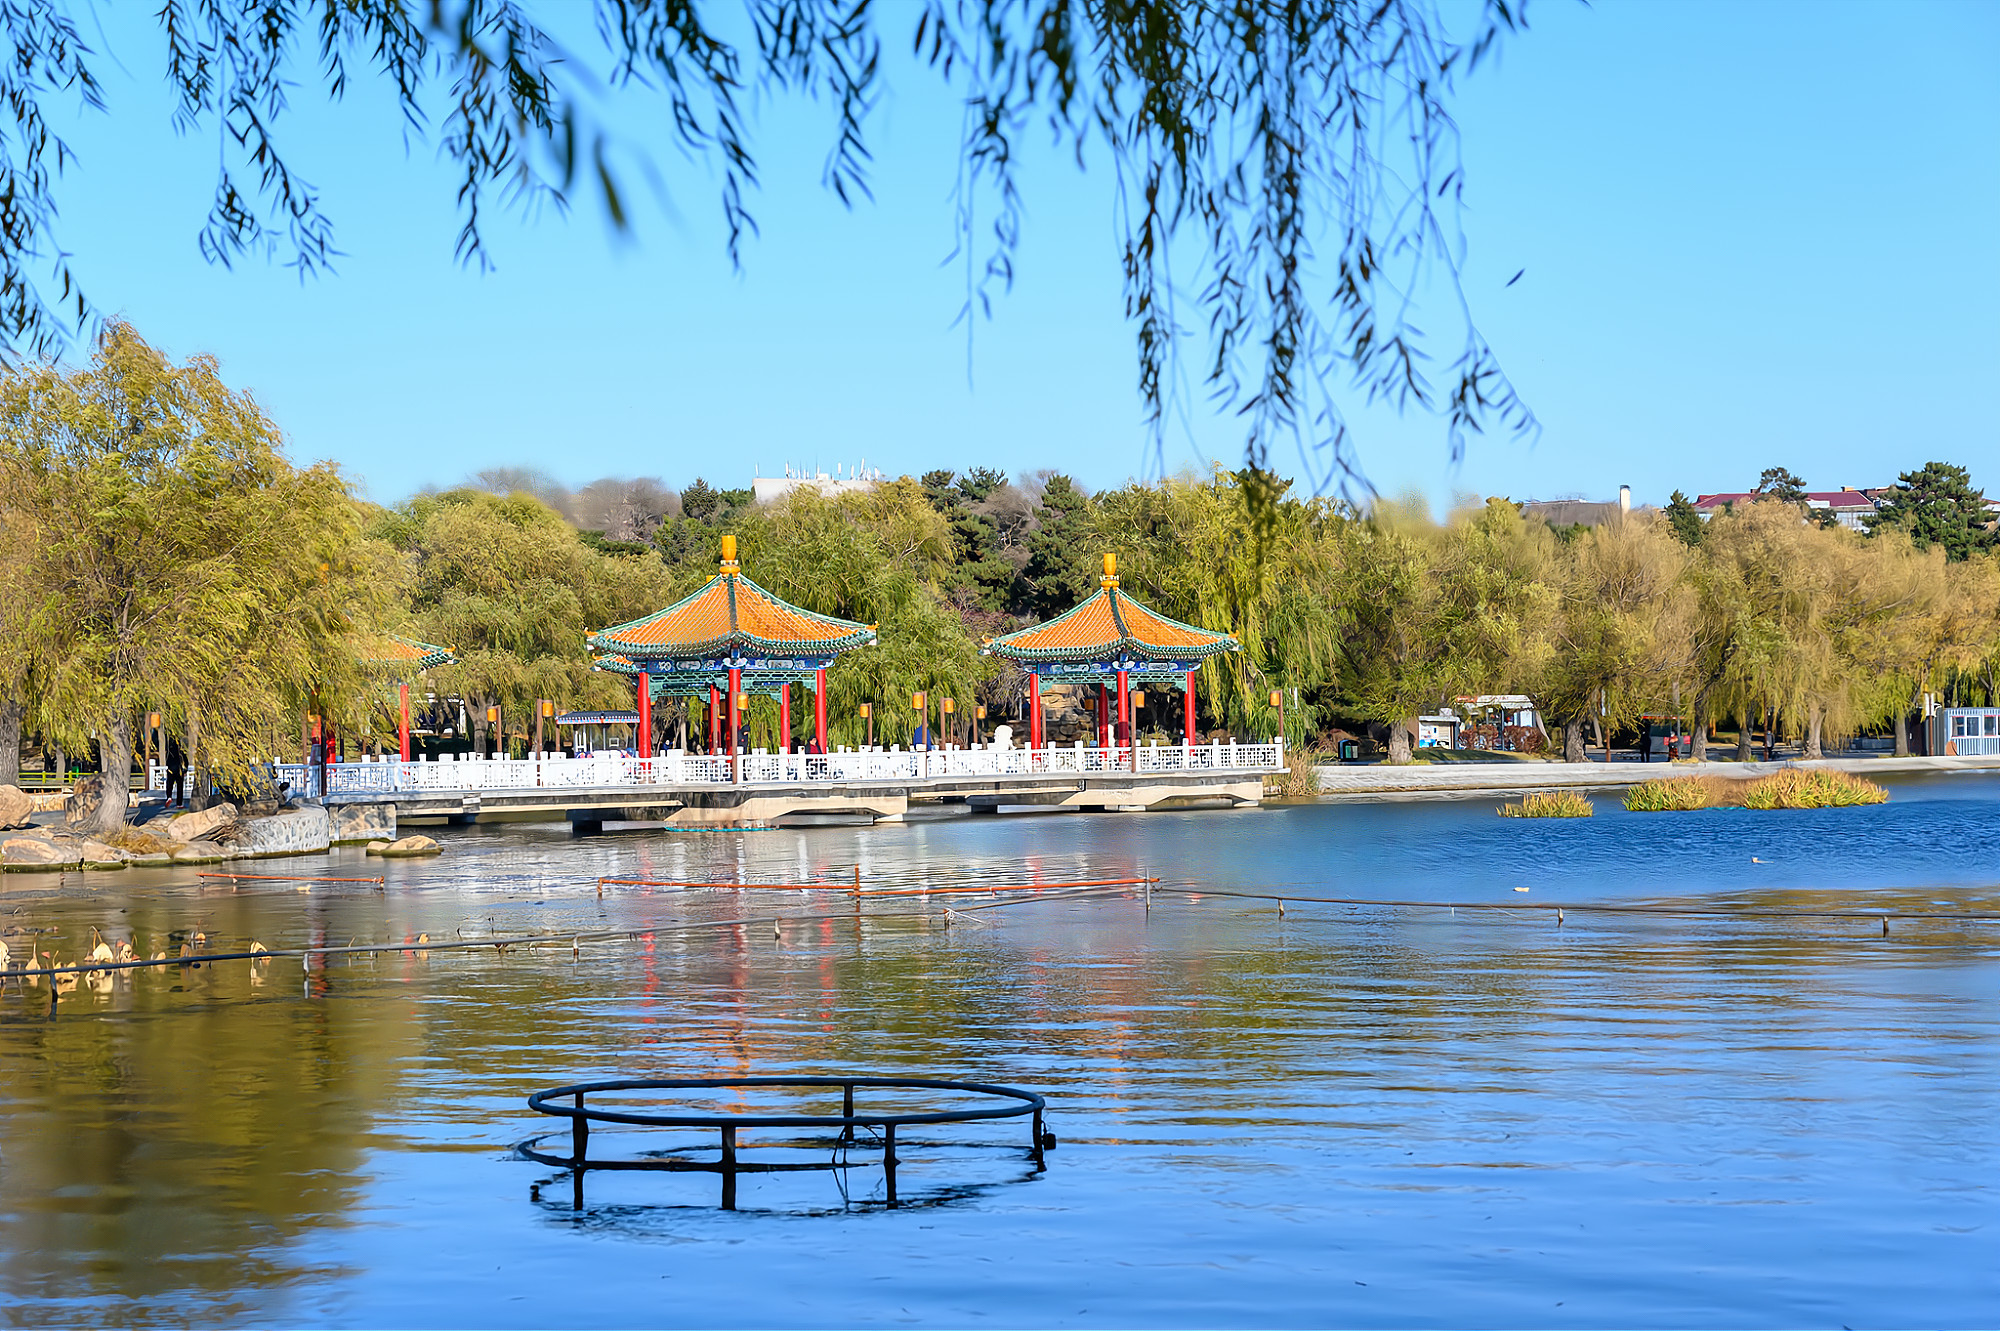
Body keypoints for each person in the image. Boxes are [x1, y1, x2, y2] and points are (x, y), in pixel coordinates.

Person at [165, 736, 186, 807]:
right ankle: (179, 804)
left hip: (171, 769)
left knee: (169, 784)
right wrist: (185, 770)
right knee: (180, 787)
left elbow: (167, 760)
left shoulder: (169, 751)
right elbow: (185, 760)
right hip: (179, 770)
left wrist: (168, 767)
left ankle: (169, 797)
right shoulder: (181, 751)